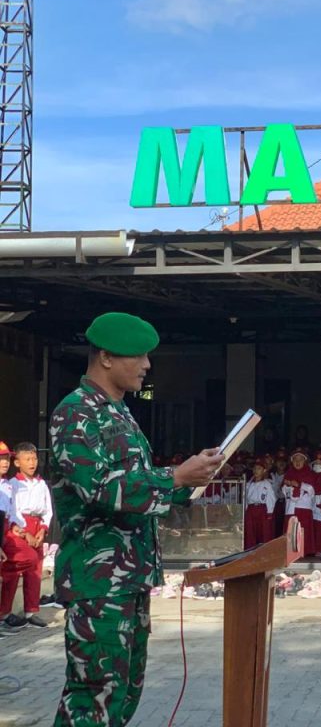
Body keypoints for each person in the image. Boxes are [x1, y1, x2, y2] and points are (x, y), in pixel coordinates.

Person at [48, 311, 223, 726]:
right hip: (97, 582)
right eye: (138, 356)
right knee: (93, 696)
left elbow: (137, 485)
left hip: (129, 578)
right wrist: (173, 477)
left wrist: (190, 478)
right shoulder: (76, 413)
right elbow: (97, 488)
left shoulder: (120, 412)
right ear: (106, 357)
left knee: (123, 693)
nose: (146, 365)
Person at [0, 443, 52, 630]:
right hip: (21, 525)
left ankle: (31, 611)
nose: (32, 463)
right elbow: (13, 510)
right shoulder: (12, 484)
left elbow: (48, 509)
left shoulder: (41, 483)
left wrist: (43, 528)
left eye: (34, 459)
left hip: (38, 525)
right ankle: (4, 611)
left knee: (35, 570)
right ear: (17, 462)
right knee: (14, 571)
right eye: (27, 459)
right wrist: (24, 531)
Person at [282, 451, 316, 557]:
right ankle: (292, 552)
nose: (297, 462)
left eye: (300, 459)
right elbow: (283, 490)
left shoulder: (309, 473)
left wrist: (299, 485)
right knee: (291, 529)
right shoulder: (288, 474)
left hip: (303, 506)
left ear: (304, 461)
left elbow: (312, 490)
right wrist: (288, 486)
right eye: (295, 460)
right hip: (291, 507)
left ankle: (304, 551)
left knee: (302, 529)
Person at [243, 457, 277, 550]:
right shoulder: (249, 484)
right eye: (254, 468)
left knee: (264, 531)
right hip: (251, 509)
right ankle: (250, 550)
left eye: (259, 469)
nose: (256, 471)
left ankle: (264, 550)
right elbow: (245, 499)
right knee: (250, 531)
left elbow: (271, 498)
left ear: (264, 470)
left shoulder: (267, 484)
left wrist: (269, 512)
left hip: (262, 509)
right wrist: (245, 510)